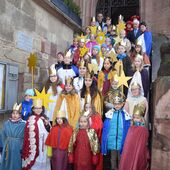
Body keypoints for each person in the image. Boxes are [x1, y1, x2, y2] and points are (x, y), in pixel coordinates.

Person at [101, 92, 131, 170]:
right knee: (113, 158)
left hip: (121, 140)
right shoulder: (109, 114)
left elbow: (127, 128)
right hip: (112, 140)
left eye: (119, 104)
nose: (117, 106)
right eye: (115, 104)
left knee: (121, 157)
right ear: (113, 104)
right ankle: (113, 168)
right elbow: (106, 128)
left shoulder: (125, 115)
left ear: (122, 104)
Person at [22, 98, 51, 170]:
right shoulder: (30, 119)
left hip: (44, 144)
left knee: (43, 158)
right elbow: (27, 134)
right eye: (36, 108)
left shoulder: (45, 118)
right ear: (33, 109)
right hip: (35, 144)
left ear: (42, 109)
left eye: (40, 108)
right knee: (36, 161)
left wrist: (47, 125)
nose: (38, 110)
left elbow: (49, 131)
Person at [119, 103, 149, 170]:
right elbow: (128, 142)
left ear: (141, 119)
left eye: (137, 118)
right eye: (134, 117)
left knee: (137, 162)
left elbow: (142, 144)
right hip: (130, 151)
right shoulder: (131, 128)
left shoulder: (143, 130)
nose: (135, 119)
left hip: (138, 151)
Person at [0, 103, 25, 170]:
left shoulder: (23, 124)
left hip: (18, 146)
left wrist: (22, 147)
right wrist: (2, 146)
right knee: (7, 161)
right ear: (11, 114)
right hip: (8, 146)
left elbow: (25, 137)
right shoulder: (7, 123)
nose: (15, 115)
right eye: (13, 113)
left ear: (20, 115)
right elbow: (3, 135)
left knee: (16, 162)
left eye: (17, 113)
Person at [83, 101, 103, 170]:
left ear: (93, 108)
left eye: (89, 107)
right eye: (86, 107)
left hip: (94, 140)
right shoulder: (83, 115)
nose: (88, 109)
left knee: (94, 159)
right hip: (85, 141)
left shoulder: (97, 116)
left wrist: (90, 124)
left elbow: (99, 127)